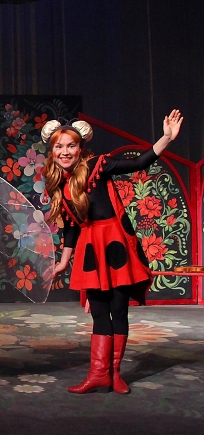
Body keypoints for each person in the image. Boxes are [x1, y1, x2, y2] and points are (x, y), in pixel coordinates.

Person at [42, 110, 183, 394]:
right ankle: (98, 375)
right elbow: (72, 226)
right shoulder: (57, 181)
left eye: (71, 146)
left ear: (80, 148)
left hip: (115, 244)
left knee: (118, 310)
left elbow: (139, 163)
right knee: (99, 313)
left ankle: (115, 373)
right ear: (52, 151)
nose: (65, 152)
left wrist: (166, 138)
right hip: (90, 249)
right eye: (59, 147)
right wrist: (64, 261)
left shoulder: (98, 165)